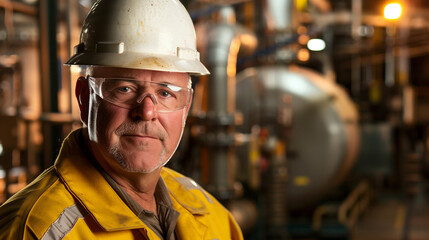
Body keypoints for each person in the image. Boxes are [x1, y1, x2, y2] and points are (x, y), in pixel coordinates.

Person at [0, 0, 243, 239]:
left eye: (166, 93)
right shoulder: (36, 230)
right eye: (125, 89)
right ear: (84, 98)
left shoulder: (211, 215)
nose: (147, 112)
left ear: (186, 107)